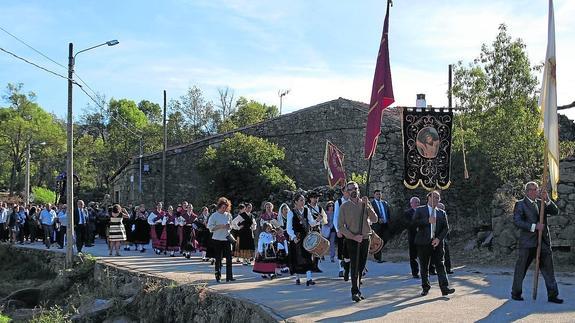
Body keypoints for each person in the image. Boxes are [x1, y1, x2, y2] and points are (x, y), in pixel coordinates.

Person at [511, 181, 563, 304]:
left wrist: (548, 199)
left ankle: (552, 295)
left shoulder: (542, 203)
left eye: (536, 189)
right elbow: (517, 221)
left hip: (543, 242)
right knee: (521, 269)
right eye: (532, 189)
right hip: (527, 243)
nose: (535, 192)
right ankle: (516, 293)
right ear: (526, 191)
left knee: (548, 270)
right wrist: (534, 226)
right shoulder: (520, 204)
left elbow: (555, 212)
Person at [338, 181, 378, 302]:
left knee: (361, 265)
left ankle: (358, 288)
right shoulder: (344, 206)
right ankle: (354, 291)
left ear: (358, 190)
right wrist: (353, 237)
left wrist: (368, 206)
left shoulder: (364, 203)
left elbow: (375, 219)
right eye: (350, 189)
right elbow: (340, 227)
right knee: (355, 266)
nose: (353, 191)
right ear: (347, 192)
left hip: (365, 238)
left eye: (355, 188)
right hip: (352, 240)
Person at [413, 191, 455, 297]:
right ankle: (425, 288)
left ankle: (445, 288)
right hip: (423, 243)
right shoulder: (420, 210)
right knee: (424, 266)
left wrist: (439, 239)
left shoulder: (441, 212)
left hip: (437, 243)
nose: (437, 200)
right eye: (435, 197)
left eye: (438, 198)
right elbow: (413, 223)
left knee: (440, 264)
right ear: (429, 198)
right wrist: (427, 220)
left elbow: (446, 228)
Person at [286, 193, 319, 286]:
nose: (303, 202)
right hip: (297, 237)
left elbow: (312, 223)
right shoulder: (291, 212)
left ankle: (309, 279)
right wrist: (293, 237)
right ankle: (297, 277)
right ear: (295, 201)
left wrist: (317, 220)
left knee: (308, 256)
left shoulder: (306, 210)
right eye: (301, 200)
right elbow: (288, 228)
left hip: (306, 236)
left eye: (303, 200)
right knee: (297, 257)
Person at [207, 197, 235, 283]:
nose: (224, 209)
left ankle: (229, 277)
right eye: (223, 207)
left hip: (226, 239)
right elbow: (210, 228)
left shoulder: (229, 215)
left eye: (226, 207)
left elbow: (231, 226)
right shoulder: (214, 215)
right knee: (218, 259)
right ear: (219, 206)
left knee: (229, 258)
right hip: (217, 239)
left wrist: (229, 227)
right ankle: (218, 276)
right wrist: (220, 226)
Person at [334, 186, 351, 279]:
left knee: (350, 249)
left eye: (349, 191)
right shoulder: (339, 202)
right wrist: (337, 230)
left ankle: (350, 268)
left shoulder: (352, 201)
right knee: (341, 249)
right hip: (342, 230)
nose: (348, 193)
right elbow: (335, 217)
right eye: (346, 191)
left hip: (351, 230)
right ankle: (341, 269)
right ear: (343, 192)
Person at [306, 191, 327, 271]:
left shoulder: (320, 208)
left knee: (317, 247)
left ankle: (315, 265)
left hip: (317, 229)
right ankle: (309, 265)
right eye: (314, 197)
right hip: (309, 229)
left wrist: (321, 219)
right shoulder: (306, 208)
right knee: (309, 247)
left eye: (317, 198)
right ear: (310, 198)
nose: (316, 199)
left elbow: (324, 220)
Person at [371, 189, 391, 263]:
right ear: (374, 195)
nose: (378, 195)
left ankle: (378, 251)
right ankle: (378, 257)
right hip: (376, 225)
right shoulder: (372, 204)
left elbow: (388, 213)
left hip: (385, 225)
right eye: (377, 194)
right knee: (378, 240)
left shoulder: (385, 203)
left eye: (379, 194)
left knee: (385, 239)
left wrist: (388, 221)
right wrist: (377, 219)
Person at [405, 197, 421, 278]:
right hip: (413, 237)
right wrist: (416, 226)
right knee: (413, 256)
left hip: (423, 237)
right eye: (416, 202)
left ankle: (429, 270)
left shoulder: (422, 211)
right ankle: (415, 273)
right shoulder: (407, 213)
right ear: (411, 204)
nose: (417, 204)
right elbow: (408, 224)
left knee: (424, 255)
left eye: (418, 202)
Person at [436, 203, 453, 274]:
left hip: (444, 238)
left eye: (443, 209)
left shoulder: (444, 216)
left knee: (446, 254)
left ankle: (448, 269)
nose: (442, 210)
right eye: (441, 208)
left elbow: (446, 228)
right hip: (436, 238)